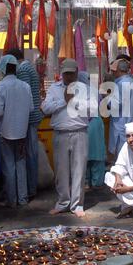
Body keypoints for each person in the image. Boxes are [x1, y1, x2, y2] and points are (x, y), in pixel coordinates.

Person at [41, 59, 89, 217]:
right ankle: (63, 202)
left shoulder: (85, 89)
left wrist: (74, 102)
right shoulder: (54, 89)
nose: (68, 76)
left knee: (79, 170)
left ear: (76, 72)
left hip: (79, 132)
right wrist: (63, 101)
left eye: (71, 73)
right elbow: (45, 108)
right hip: (60, 133)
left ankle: (77, 205)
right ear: (62, 73)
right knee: (61, 171)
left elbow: (92, 109)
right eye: (65, 73)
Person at [0, 55, 34, 208]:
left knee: (9, 166)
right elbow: (30, 109)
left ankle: (12, 200)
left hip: (5, 133)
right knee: (21, 164)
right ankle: (23, 199)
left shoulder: (0, 88)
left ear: (3, 68)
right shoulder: (25, 86)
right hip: (22, 133)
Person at [7, 48, 43, 201]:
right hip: (33, 116)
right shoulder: (29, 66)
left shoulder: (22, 70)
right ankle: (32, 187)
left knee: (28, 154)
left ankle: (30, 188)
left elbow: (23, 94)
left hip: (27, 118)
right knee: (31, 153)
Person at [78, 71, 106, 189]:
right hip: (96, 122)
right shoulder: (94, 90)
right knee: (97, 155)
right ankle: (97, 182)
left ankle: (86, 182)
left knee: (85, 155)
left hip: (84, 123)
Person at [108, 59, 133, 157]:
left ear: (118, 70)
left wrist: (108, 99)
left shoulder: (120, 84)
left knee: (123, 159)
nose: (112, 73)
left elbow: (115, 105)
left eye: (113, 70)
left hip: (121, 126)